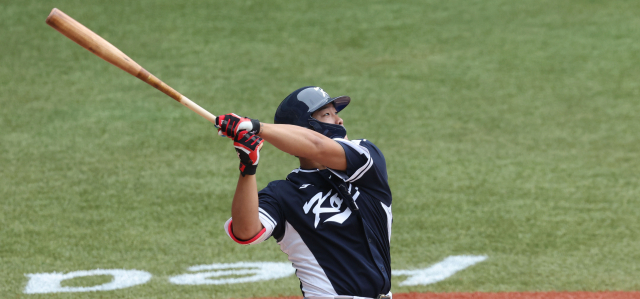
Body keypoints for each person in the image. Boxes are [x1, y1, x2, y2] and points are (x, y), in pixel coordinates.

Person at [215, 86, 393, 299]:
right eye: (327, 114)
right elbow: (245, 232)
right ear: (303, 127)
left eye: (336, 113)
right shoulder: (282, 194)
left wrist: (256, 127)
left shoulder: (365, 161)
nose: (339, 121)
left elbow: (317, 146)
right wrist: (248, 168)